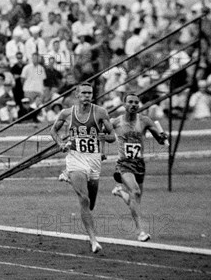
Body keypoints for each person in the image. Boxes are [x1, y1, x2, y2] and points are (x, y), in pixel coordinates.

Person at [50, 82, 116, 253]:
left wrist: (102, 135)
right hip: (75, 158)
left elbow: (112, 137)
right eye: (84, 93)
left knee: (91, 203)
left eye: (90, 93)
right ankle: (94, 240)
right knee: (84, 199)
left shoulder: (100, 112)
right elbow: (53, 131)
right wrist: (61, 144)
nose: (87, 96)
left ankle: (67, 177)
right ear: (77, 95)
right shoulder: (67, 113)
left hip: (94, 159)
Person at [110, 93, 167, 242]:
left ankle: (120, 192)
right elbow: (103, 135)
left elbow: (160, 140)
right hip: (124, 164)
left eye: (136, 102)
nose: (134, 105)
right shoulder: (116, 122)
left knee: (136, 199)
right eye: (130, 102)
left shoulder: (145, 121)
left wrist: (162, 137)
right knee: (135, 191)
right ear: (124, 105)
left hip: (139, 164)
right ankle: (140, 231)